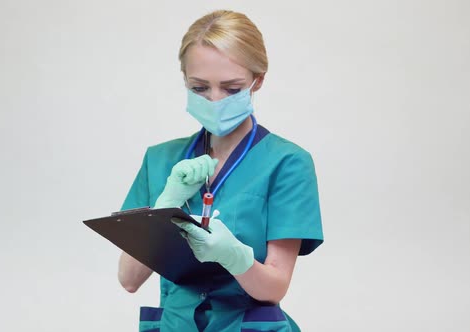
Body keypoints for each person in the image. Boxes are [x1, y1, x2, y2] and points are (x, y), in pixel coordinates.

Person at [117, 9, 323, 332]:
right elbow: (128, 279)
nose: (214, 100)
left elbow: (275, 286)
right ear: (184, 80)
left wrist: (235, 257)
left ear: (259, 80)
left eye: (231, 89)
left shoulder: (288, 163)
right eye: (200, 88)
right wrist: (163, 206)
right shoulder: (159, 160)